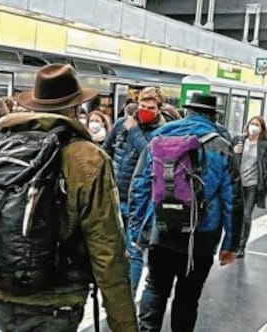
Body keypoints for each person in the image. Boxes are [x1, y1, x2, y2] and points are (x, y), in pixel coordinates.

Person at [0, 64, 137, 332]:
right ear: (77, 108)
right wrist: (123, 324)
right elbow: (107, 248)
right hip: (57, 299)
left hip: (1, 292)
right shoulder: (86, 157)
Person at [130, 93, 243, 332]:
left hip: (161, 230)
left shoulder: (159, 137)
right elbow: (232, 200)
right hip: (201, 237)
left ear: (188, 112)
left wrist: (138, 230)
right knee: (188, 297)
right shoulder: (222, 147)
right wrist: (230, 245)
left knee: (155, 288)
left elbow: (139, 186)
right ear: (214, 117)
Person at [103, 86, 167, 290]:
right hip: (114, 195)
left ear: (159, 109)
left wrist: (134, 131)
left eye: (150, 107)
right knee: (110, 250)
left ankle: (128, 301)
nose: (144, 110)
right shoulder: (121, 124)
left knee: (134, 251)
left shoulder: (162, 132)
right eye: (141, 105)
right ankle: (113, 296)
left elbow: (151, 158)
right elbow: (106, 151)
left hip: (139, 201)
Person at [232, 115, 267, 258]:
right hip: (238, 183)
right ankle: (232, 244)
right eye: (252, 123)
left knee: (246, 216)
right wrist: (235, 152)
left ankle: (241, 246)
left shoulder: (264, 145)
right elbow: (230, 159)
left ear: (262, 129)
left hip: (253, 185)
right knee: (234, 215)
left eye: (257, 125)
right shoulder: (239, 140)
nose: (254, 127)